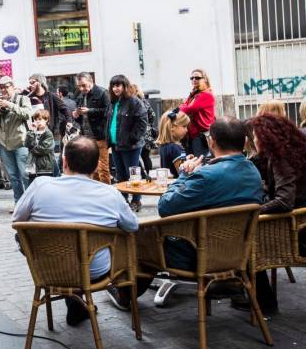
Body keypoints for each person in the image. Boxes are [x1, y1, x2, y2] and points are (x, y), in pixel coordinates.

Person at [106, 117, 265, 310]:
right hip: (239, 253)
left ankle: (125, 294)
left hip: (195, 255)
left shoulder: (206, 176)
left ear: (211, 142)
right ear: (246, 142)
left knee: (140, 235)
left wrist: (184, 175)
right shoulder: (253, 172)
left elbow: (165, 206)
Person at [13, 137, 138, 326]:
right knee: (120, 236)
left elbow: (17, 221)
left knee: (22, 235)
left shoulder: (40, 185)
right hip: (94, 271)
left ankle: (76, 305)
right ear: (97, 166)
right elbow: (133, 226)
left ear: (64, 162)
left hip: (49, 270)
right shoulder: (111, 194)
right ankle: (94, 300)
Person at [230, 114, 306, 313]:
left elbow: (284, 201)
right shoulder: (290, 152)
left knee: (244, 244)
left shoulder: (281, 159)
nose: (253, 140)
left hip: (294, 232)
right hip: (297, 223)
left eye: (255, 136)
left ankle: (264, 303)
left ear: (267, 137)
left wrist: (254, 212)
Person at [106, 75, 148, 212]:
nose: (116, 88)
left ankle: (136, 201)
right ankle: (123, 200)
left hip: (130, 145)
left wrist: (132, 138)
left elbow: (142, 122)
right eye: (113, 86)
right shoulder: (113, 102)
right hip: (116, 144)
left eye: (118, 85)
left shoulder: (133, 101)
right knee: (120, 174)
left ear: (124, 86)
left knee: (133, 174)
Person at [0, 76, 31, 208]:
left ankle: (31, 203)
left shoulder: (22, 99)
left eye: (6, 86)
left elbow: (27, 114)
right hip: (4, 144)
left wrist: (10, 105)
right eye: (1, 88)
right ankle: (19, 203)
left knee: (25, 174)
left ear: (13, 86)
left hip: (20, 142)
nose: (4, 90)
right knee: (13, 176)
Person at [28, 73, 72, 175]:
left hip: (48, 131)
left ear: (40, 82)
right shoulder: (29, 97)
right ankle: (50, 177)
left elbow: (64, 108)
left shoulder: (50, 96)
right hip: (34, 131)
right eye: (29, 83)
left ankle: (56, 176)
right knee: (42, 158)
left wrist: (69, 121)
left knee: (49, 155)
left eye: (33, 82)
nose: (30, 85)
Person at [72, 72, 111, 184]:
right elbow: (81, 119)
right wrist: (76, 116)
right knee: (91, 168)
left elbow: (108, 112)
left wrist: (90, 111)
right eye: (79, 86)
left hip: (100, 136)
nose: (81, 88)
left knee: (103, 168)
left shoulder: (102, 92)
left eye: (84, 85)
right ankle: (96, 193)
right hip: (86, 137)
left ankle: (106, 193)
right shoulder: (80, 95)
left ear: (91, 81)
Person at [179, 69, 215, 158]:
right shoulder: (194, 94)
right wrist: (183, 106)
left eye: (197, 77)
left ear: (205, 79)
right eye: (192, 78)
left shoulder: (206, 94)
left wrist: (182, 107)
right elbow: (184, 105)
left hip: (200, 135)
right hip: (191, 134)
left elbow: (189, 109)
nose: (194, 80)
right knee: (190, 160)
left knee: (199, 162)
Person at [155, 110, 190, 178]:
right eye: (184, 126)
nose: (187, 130)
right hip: (178, 186)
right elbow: (183, 174)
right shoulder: (175, 148)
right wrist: (193, 164)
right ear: (172, 127)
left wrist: (186, 158)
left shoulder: (164, 146)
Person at [132, 84, 157, 176]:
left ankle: (143, 175)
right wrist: (149, 125)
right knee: (146, 156)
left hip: (139, 133)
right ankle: (149, 176)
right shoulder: (144, 101)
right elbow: (152, 115)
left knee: (135, 157)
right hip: (147, 133)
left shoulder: (133, 102)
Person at [25, 109, 55, 185]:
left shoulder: (48, 133)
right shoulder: (33, 132)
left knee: (44, 187)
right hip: (32, 166)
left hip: (44, 167)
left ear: (46, 120)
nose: (38, 121)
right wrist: (31, 132)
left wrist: (31, 148)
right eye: (36, 119)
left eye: (40, 119)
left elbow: (43, 149)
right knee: (32, 187)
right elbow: (27, 144)